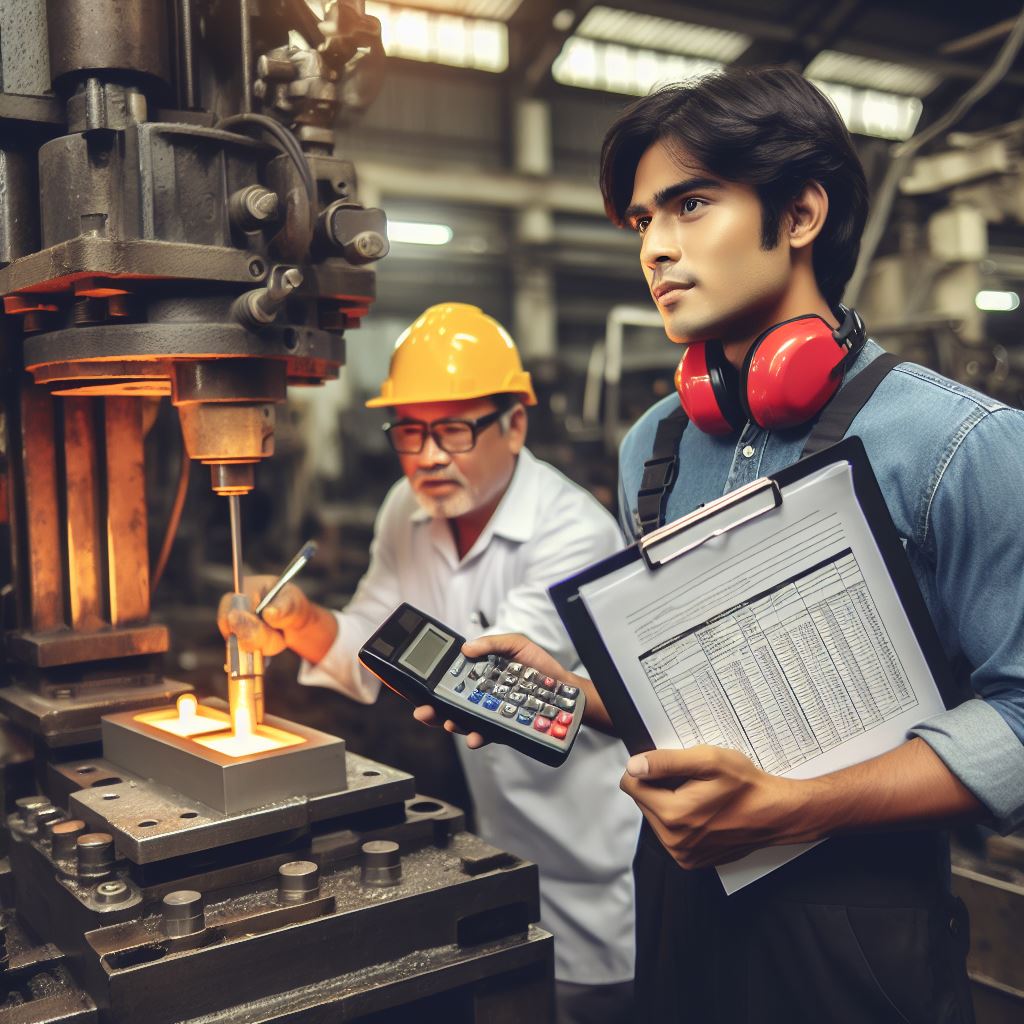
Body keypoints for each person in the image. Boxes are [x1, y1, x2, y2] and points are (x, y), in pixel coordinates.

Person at [434, 68, 1024, 1022]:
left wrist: (794, 808)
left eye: (691, 205)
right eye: (640, 222)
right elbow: (707, 704)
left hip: (859, 938)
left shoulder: (962, 447)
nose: (656, 250)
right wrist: (580, 695)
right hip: (677, 917)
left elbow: (1023, 718)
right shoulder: (653, 448)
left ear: (799, 213)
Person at [221, 302, 640, 1024]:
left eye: (453, 429)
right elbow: (366, 639)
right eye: (409, 432)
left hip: (601, 864)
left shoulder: (573, 532)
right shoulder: (403, 510)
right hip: (503, 846)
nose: (428, 455)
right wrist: (298, 623)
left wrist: (362, 645)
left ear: (515, 425)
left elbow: (485, 683)